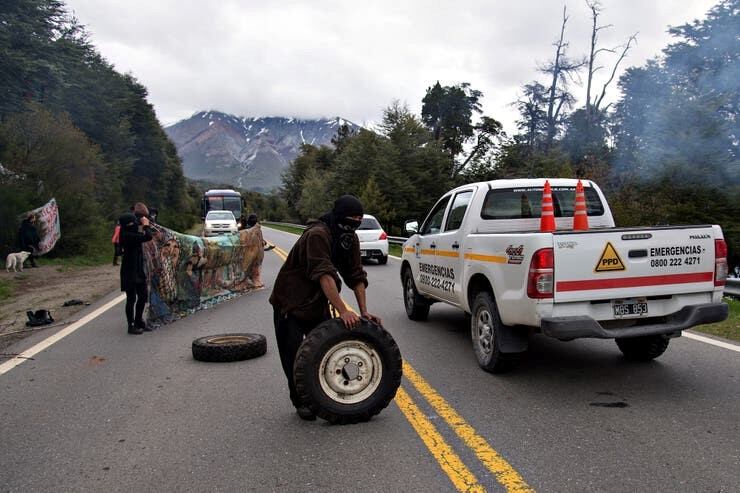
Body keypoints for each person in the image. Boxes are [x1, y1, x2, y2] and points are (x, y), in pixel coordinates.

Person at [269, 195, 382, 420]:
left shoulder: (349, 239)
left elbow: (356, 275)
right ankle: (300, 401)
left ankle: (322, 394)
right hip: (290, 302)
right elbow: (325, 275)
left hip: (317, 301)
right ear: (339, 216)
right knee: (294, 356)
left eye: (359, 220)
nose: (355, 224)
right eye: (351, 219)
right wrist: (343, 310)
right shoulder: (318, 234)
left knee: (321, 351)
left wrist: (363, 311)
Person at [119, 202, 154, 335]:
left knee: (143, 295)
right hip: (129, 271)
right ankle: (131, 325)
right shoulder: (127, 236)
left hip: (138, 269)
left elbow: (144, 234)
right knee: (131, 299)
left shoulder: (130, 232)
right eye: (132, 222)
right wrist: (145, 225)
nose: (135, 224)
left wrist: (144, 223)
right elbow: (148, 236)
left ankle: (139, 320)